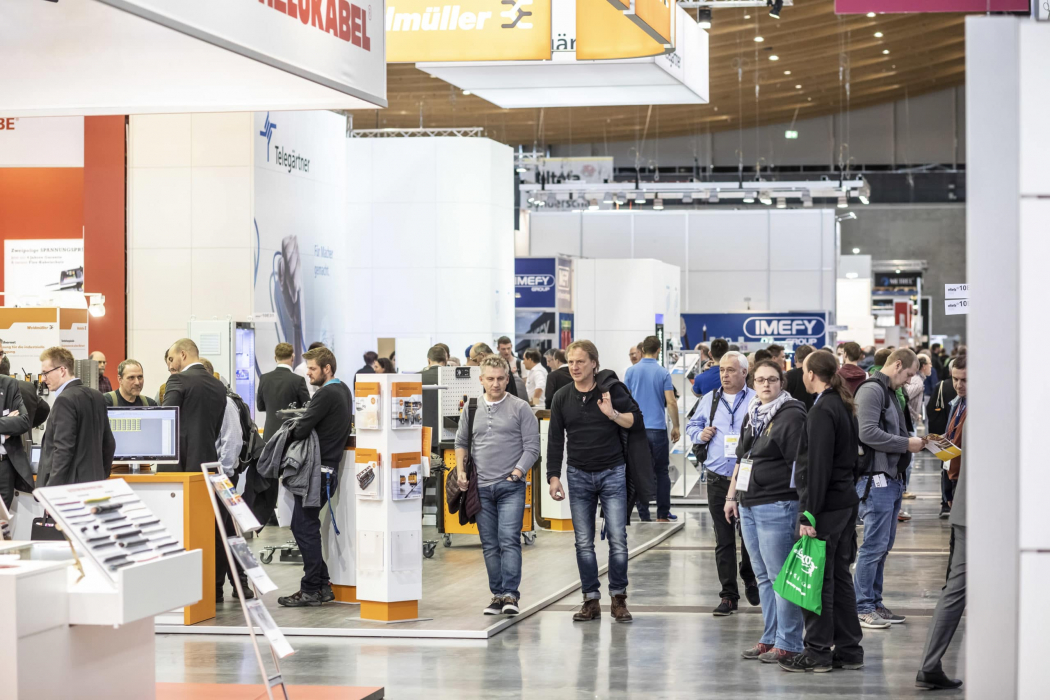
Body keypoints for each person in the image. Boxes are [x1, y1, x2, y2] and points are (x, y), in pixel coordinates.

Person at [780, 349, 865, 673]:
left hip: (826, 508)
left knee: (815, 579)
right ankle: (849, 648)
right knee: (840, 578)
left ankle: (817, 652)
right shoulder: (842, 405)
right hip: (844, 502)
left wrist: (808, 514)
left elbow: (816, 468)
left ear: (812, 374)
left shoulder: (821, 411)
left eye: (803, 370)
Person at [723, 360, 807, 665]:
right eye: (760, 380)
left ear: (781, 383)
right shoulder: (753, 412)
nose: (766, 385)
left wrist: (804, 508)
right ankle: (771, 636)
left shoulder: (792, 414)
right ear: (753, 384)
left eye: (772, 380)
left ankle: (790, 641)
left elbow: (801, 465)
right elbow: (742, 458)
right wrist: (732, 495)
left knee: (780, 576)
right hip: (748, 503)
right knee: (762, 575)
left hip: (777, 503)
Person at [547, 340, 635, 623]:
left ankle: (619, 599)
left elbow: (633, 420)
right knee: (583, 542)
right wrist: (553, 476)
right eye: (570, 362)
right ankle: (591, 600)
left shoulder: (611, 391)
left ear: (594, 363)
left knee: (618, 540)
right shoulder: (562, 396)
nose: (574, 367)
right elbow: (555, 439)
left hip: (612, 472)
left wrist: (612, 414)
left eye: (580, 362)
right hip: (578, 474)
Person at [455, 355, 539, 616]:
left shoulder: (520, 407)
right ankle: (497, 595)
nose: (495, 384)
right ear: (481, 380)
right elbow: (461, 443)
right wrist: (460, 471)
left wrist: (516, 473)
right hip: (480, 488)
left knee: (509, 540)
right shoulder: (470, 408)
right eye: (490, 379)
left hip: (510, 487)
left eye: (500, 378)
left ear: (507, 378)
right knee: (489, 544)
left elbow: (533, 447)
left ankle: (511, 595)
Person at [853, 348, 926, 629]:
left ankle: (874, 602)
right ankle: (862, 607)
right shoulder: (871, 391)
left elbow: (892, 430)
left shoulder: (892, 392)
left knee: (883, 546)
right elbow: (867, 432)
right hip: (875, 479)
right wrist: (906, 443)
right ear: (896, 365)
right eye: (908, 374)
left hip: (892, 479)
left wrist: (914, 440)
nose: (909, 381)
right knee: (873, 547)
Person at [686, 351, 760, 616]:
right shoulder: (710, 399)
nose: (725, 375)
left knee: (750, 537)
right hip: (718, 479)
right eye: (721, 371)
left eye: (730, 370)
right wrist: (700, 433)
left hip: (748, 479)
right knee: (723, 539)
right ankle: (728, 594)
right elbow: (691, 425)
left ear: (744, 372)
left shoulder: (756, 400)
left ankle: (750, 575)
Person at [278, 346, 352, 608]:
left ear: (326, 368)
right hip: (327, 472)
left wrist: (294, 426)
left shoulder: (326, 394)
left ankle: (311, 588)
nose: (308, 374)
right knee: (303, 525)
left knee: (303, 526)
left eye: (312, 369)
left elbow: (301, 429)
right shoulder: (343, 390)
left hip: (317, 473)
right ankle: (321, 584)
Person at [915, 356, 967, 691]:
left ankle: (929, 666)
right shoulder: (963, 406)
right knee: (956, 590)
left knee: (956, 590)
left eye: (965, 379)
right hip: (976, 513)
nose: (960, 385)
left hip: (969, 509)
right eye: (956, 379)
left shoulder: (968, 407)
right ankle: (929, 665)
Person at [36, 347, 116, 487]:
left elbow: (63, 451)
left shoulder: (64, 400)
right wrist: (101, 475)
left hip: (69, 490)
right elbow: (109, 444)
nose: (43, 379)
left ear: (62, 370)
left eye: (46, 373)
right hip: (94, 485)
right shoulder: (97, 396)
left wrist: (52, 492)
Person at [624, 335, 680, 522]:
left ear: (642, 351)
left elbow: (625, 400)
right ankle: (663, 514)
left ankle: (643, 513)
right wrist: (676, 426)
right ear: (658, 351)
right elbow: (671, 402)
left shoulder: (631, 372)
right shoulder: (663, 372)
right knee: (661, 471)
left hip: (636, 429)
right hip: (657, 428)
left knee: (639, 472)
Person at [162, 339, 228, 473]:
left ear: (183, 354)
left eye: (171, 359)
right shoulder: (219, 386)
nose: (170, 366)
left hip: (180, 466)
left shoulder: (178, 379)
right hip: (209, 463)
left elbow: (165, 420)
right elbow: (216, 428)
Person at [0, 343, 33, 508]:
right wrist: (3, 433)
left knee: (2, 524)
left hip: (4, 468)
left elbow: (23, 422)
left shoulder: (9, 385)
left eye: (1, 353)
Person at [257, 342, 310, 442]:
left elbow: (260, 407)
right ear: (292, 357)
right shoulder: (298, 380)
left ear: (275, 358)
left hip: (269, 435)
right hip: (290, 435)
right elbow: (307, 408)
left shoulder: (264, 378)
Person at [926, 368, 959, 519]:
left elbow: (931, 411)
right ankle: (948, 502)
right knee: (949, 470)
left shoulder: (942, 387)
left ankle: (946, 503)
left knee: (946, 469)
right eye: (956, 379)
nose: (958, 385)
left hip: (947, 439)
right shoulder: (959, 400)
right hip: (949, 439)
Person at [784, 345, 816, 410]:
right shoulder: (816, 375)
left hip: (791, 413)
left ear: (795, 358)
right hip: (811, 414)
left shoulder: (788, 376)